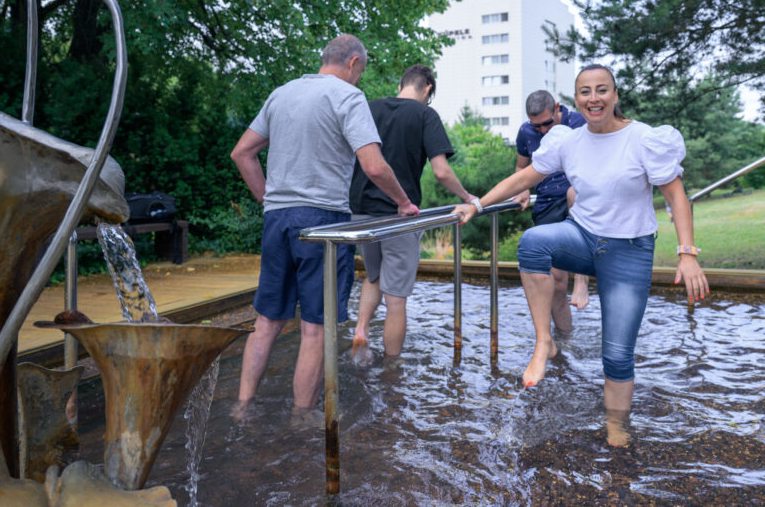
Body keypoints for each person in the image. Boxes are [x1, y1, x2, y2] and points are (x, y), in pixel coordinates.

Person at [453, 64, 708, 446]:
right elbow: (523, 178)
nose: (594, 98)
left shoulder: (643, 139)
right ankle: (545, 342)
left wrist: (686, 253)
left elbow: (676, 195)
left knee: (617, 356)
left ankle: (617, 431)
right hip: (582, 237)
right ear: (576, 101)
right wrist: (477, 203)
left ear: (615, 95)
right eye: (585, 92)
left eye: (602, 90)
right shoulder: (568, 141)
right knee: (533, 243)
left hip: (629, 251)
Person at [230, 34, 419, 421]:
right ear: (353, 63)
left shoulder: (281, 94)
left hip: (278, 219)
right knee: (316, 328)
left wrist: (268, 199)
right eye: (360, 72)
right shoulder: (348, 97)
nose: (359, 79)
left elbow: (242, 153)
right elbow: (374, 165)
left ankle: (241, 408)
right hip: (323, 222)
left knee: (266, 321)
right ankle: (303, 418)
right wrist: (403, 202)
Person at [349, 64, 476, 364]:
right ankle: (393, 375)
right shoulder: (425, 115)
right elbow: (442, 172)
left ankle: (361, 330)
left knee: (374, 276)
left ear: (401, 84)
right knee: (396, 301)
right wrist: (468, 197)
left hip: (360, 212)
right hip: (399, 215)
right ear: (428, 89)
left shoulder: (369, 108)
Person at [513, 90, 590, 331]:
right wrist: (523, 189)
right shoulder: (526, 132)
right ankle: (565, 338)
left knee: (573, 194)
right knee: (556, 281)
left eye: (547, 123)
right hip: (546, 202)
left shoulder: (579, 122)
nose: (543, 130)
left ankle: (582, 278)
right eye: (537, 126)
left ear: (557, 107)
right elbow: (520, 166)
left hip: (578, 196)